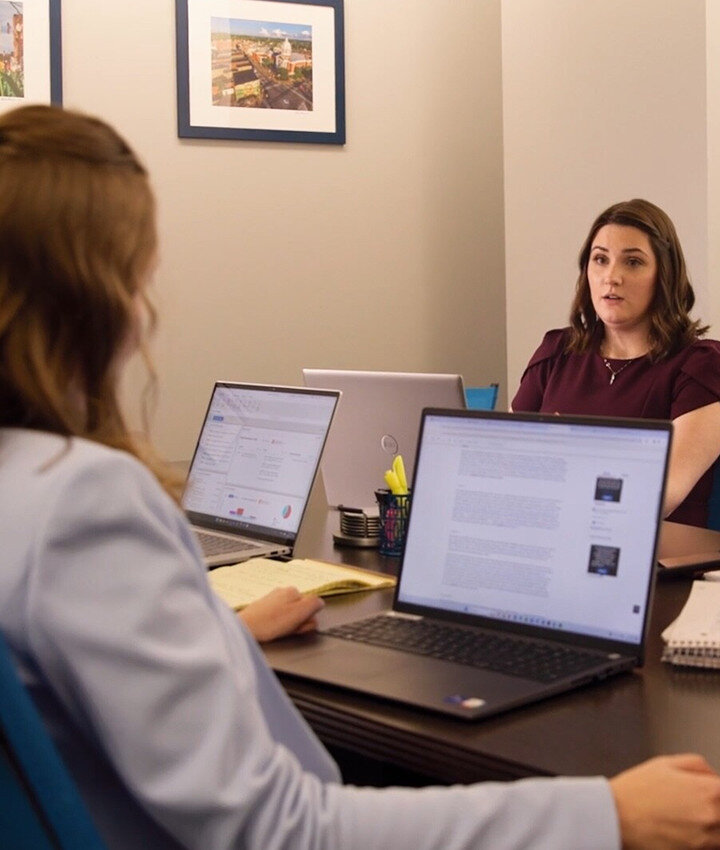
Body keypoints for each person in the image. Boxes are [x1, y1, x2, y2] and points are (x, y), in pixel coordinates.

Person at [1, 106, 720, 850]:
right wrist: (607, 816)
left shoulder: (25, 488)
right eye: (138, 275)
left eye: (630, 259)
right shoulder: (86, 502)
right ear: (96, 294)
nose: (147, 306)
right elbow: (286, 828)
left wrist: (225, 631)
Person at [512, 198, 720, 528]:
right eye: (600, 260)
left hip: (660, 564)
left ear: (664, 275)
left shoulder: (701, 366)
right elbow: (506, 468)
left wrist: (561, 457)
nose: (612, 277)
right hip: (554, 545)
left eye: (633, 262)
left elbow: (660, 493)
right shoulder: (555, 353)